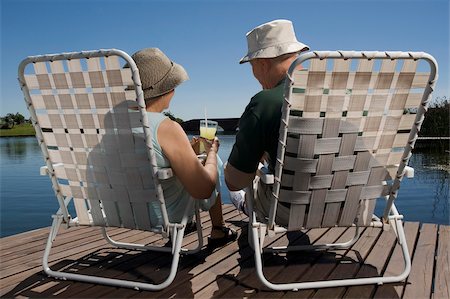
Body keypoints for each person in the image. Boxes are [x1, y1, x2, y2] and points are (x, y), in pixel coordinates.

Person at [131, 48, 237, 247]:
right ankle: (217, 230)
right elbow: (204, 189)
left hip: (125, 211)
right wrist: (212, 153)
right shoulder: (166, 127)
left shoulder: (112, 126)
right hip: (162, 213)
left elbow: (145, 157)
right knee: (212, 162)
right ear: (168, 90)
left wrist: (186, 149)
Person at [224, 20, 309, 225]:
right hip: (353, 205)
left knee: (232, 170)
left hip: (285, 211)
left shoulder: (266, 102)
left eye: (252, 67)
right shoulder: (341, 96)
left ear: (262, 63)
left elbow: (235, 182)